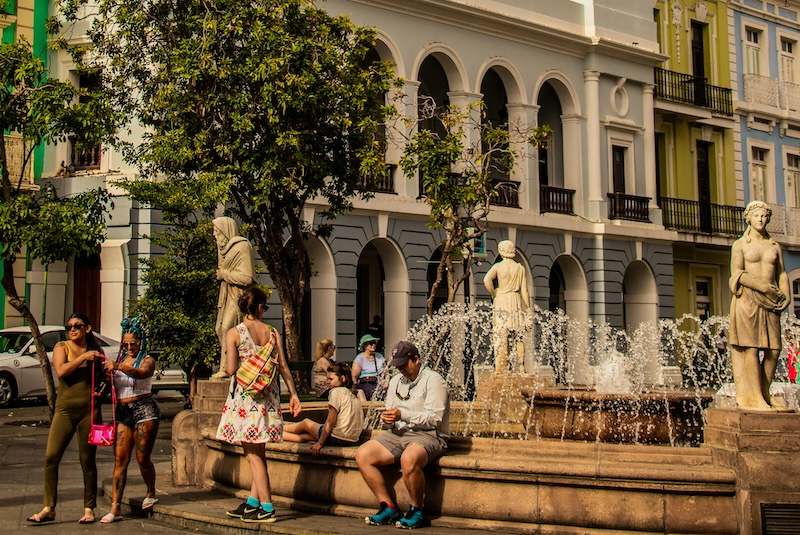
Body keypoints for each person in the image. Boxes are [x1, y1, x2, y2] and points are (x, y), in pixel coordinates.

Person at [216, 287, 301, 523]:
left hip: (246, 399)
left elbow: (231, 370)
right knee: (259, 453)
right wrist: (293, 394)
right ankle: (253, 503)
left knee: (252, 455)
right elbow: (283, 366)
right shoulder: (272, 332)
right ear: (260, 307)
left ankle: (267, 506)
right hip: (269, 397)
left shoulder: (234, 333)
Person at [355, 341, 449, 530]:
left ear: (416, 359)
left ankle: (417, 510)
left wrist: (402, 414)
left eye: (404, 365)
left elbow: (435, 419)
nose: (401, 370)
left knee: (409, 458)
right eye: (397, 366)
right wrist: (388, 418)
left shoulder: (434, 380)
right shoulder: (397, 381)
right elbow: (391, 410)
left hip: (428, 435)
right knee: (362, 454)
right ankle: (388, 506)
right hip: (397, 433)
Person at [28, 313, 105, 524]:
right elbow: (61, 371)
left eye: (77, 326)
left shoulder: (97, 351)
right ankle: (48, 507)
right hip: (64, 411)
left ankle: (89, 508)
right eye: (69, 326)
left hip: (90, 411)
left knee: (87, 461)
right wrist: (83, 357)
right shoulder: (62, 347)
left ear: (87, 328)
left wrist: (104, 379)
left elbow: (103, 380)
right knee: (51, 457)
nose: (72, 329)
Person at [729, 200, 790, 410]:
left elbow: (781, 272)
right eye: (757, 216)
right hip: (748, 300)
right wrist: (763, 287)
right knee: (751, 348)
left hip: (772, 301)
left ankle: (764, 392)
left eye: (764, 216)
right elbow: (736, 274)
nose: (761, 220)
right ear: (749, 219)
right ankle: (754, 398)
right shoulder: (740, 245)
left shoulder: (774, 246)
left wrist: (787, 295)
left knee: (774, 349)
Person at [99, 317, 159, 523]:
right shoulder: (120, 360)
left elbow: (142, 374)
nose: (130, 347)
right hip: (123, 411)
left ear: (141, 342)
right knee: (120, 459)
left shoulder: (147, 360)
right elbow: (111, 385)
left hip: (145, 410)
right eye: (126, 344)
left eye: (134, 343)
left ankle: (151, 491)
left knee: (142, 458)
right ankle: (115, 507)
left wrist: (118, 367)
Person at [283, 362, 364, 454]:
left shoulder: (336, 392)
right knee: (307, 437)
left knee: (305, 423)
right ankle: (279, 435)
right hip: (351, 440)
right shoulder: (354, 395)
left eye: (331, 379)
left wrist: (320, 443)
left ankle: (279, 429)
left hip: (336, 437)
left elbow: (330, 421)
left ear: (342, 379)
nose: (328, 382)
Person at [211, 216, 256, 378]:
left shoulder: (242, 247)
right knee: (219, 329)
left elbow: (247, 278)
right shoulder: (225, 250)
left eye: (217, 232)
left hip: (238, 297)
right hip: (226, 296)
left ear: (225, 231)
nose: (215, 236)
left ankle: (227, 368)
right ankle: (231, 365)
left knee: (226, 329)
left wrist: (225, 274)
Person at [483, 240, 531, 374]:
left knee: (501, 334)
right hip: (515, 300)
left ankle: (502, 367)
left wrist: (494, 293)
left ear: (501, 251)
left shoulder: (498, 267)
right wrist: (528, 308)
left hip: (502, 299)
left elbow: (486, 280)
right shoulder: (520, 268)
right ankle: (521, 366)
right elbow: (525, 291)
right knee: (519, 336)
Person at [352, 333, 385, 401]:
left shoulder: (379, 356)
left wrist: (387, 382)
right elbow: (354, 377)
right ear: (365, 346)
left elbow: (386, 371)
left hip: (378, 382)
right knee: (373, 392)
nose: (373, 345)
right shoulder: (360, 358)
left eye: (374, 343)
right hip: (366, 383)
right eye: (371, 343)